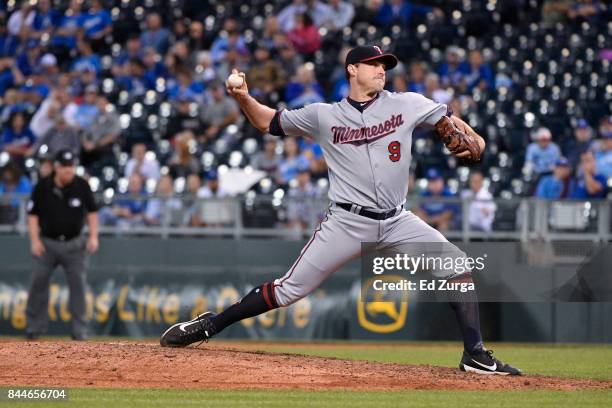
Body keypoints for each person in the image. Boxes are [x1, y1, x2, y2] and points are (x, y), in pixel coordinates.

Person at [159, 45, 521, 376]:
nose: (381, 69)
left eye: (384, 65)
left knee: (456, 265)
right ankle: (210, 325)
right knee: (288, 291)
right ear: (352, 70)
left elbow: (456, 126)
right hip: (348, 222)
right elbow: (267, 122)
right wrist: (242, 97)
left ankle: (474, 353)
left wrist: (476, 139)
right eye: (374, 64)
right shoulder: (324, 116)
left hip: (398, 221)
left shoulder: (407, 103)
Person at [25, 149, 99, 341]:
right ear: (56, 167)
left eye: (71, 166)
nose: (69, 171)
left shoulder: (82, 185)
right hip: (47, 244)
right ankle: (34, 328)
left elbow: (92, 212)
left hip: (75, 245)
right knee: (38, 284)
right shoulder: (43, 186)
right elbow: (32, 216)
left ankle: (80, 331)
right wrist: (34, 241)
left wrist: (93, 236)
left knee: (79, 287)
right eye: (65, 167)